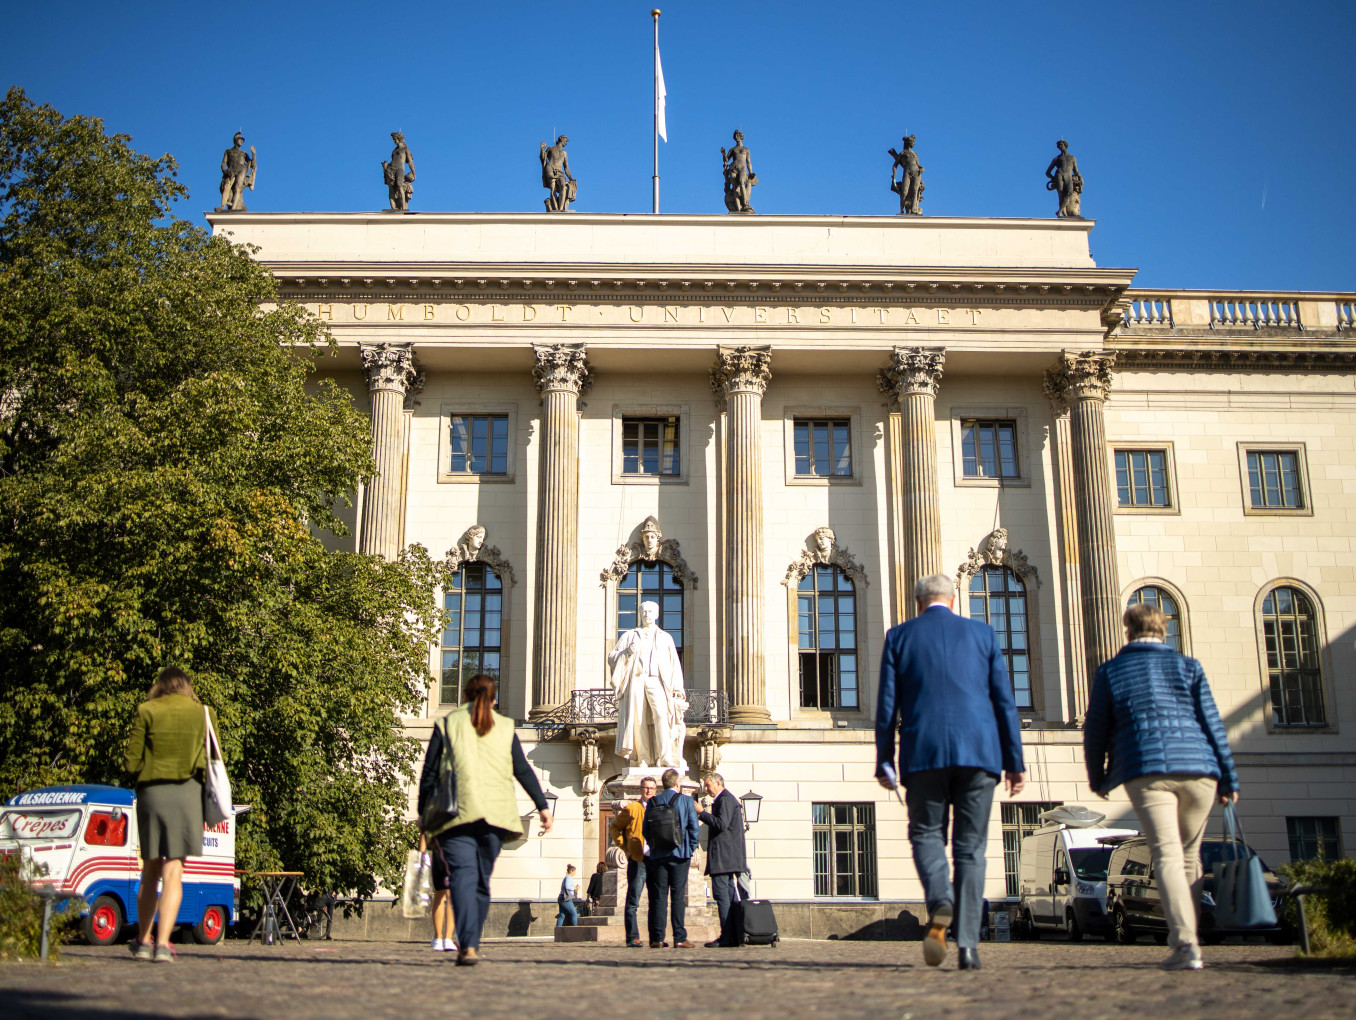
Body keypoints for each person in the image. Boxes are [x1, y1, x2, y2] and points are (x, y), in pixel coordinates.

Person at [876, 574, 1025, 972]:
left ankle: (941, 898)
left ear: (918, 602)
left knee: (926, 834)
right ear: (953, 601)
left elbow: (886, 706)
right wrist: (1015, 761)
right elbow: (1004, 702)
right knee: (971, 850)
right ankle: (969, 946)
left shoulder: (899, 637)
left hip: (923, 752)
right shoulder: (983, 635)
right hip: (980, 753)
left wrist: (883, 759)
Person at [1084, 602, 1239, 972]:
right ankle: (1189, 941)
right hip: (1200, 770)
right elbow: (1213, 724)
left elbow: (1096, 729)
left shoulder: (1111, 670)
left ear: (1128, 631)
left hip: (1147, 767)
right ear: (1164, 630)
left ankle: (1185, 944)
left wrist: (1098, 777)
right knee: (1188, 857)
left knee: (1167, 856)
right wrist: (1229, 778)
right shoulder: (1189, 666)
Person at [419, 673, 553, 965]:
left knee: (463, 878)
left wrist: (423, 817)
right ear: (494, 699)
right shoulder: (505, 727)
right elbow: (523, 770)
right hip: (496, 817)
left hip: (454, 816)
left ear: (464, 696)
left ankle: (468, 944)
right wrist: (542, 806)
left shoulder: (446, 724)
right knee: (480, 881)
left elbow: (429, 775)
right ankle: (471, 943)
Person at [123, 666, 219, 962]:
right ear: (187, 686)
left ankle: (142, 941)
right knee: (174, 869)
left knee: (150, 869)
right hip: (187, 794)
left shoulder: (146, 710)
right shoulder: (203, 713)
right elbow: (214, 761)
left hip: (152, 793)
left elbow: (130, 763)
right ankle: (163, 944)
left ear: (160, 686)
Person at [608, 601, 684, 768]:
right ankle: (643, 758)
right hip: (637, 680)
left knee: (662, 717)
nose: (646, 614)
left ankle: (665, 757)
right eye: (643, 611)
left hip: (657, 680)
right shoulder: (630, 636)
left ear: (657, 615)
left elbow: (674, 665)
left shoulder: (665, 638)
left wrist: (678, 688)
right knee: (638, 719)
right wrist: (626, 652)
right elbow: (611, 657)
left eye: (650, 611)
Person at [644, 768, 701, 949]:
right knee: (677, 896)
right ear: (678, 784)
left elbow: (646, 830)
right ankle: (679, 937)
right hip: (680, 854)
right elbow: (694, 828)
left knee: (659, 897)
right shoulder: (686, 801)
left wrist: (655, 847)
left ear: (662, 784)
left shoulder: (653, 801)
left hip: (659, 855)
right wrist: (689, 848)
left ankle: (658, 938)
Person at [697, 772, 746, 947]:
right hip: (727, 858)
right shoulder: (727, 799)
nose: (706, 789)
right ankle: (733, 935)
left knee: (722, 896)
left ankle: (727, 936)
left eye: (708, 785)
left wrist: (701, 813)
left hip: (723, 859)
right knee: (729, 896)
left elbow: (721, 824)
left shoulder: (724, 799)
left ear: (718, 783)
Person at [607, 776, 658, 947]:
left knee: (656, 900)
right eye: (646, 788)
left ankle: (655, 937)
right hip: (638, 860)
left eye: (651, 788)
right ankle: (632, 937)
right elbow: (614, 827)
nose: (648, 791)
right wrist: (624, 847)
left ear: (655, 790)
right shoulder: (632, 808)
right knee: (633, 901)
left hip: (656, 860)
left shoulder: (660, 808)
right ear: (641, 789)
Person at [418, 832, 456, 952]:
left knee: (446, 895)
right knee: (445, 894)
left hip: (447, 852)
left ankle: (444, 938)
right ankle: (443, 937)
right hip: (445, 852)